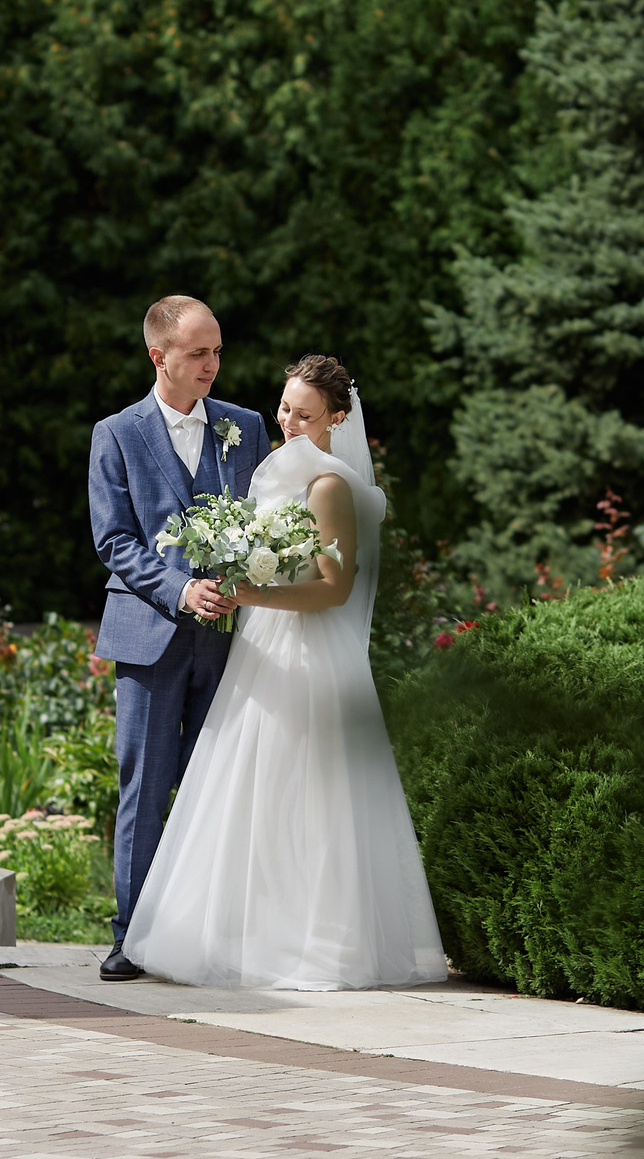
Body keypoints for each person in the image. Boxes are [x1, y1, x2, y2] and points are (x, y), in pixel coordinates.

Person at [122, 354, 450, 991]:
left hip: (308, 650)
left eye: (305, 414)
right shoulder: (276, 467)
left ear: (337, 418)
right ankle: (248, 936)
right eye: (284, 408)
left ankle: (316, 945)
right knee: (251, 791)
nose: (289, 423)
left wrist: (251, 593)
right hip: (261, 645)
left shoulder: (327, 485)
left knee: (307, 795)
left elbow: (334, 589)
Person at [85, 295, 267, 982]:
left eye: (217, 351)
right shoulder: (117, 433)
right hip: (149, 637)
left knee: (216, 790)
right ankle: (130, 936)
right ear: (158, 356)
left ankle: (204, 938)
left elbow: (267, 521)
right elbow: (114, 540)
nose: (212, 364)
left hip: (229, 641)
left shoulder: (246, 427)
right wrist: (179, 589)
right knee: (146, 788)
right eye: (198, 352)